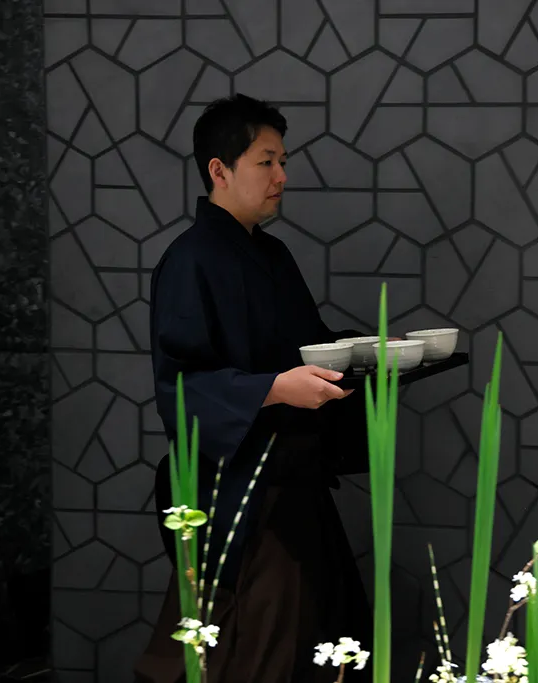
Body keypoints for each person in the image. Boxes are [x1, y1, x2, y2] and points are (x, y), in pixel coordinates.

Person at [135, 94, 372, 683]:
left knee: (322, 636)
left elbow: (308, 348)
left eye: (282, 161)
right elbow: (182, 387)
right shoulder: (189, 261)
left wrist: (368, 354)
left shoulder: (273, 255)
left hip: (294, 480)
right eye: (266, 162)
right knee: (261, 650)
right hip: (237, 494)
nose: (281, 176)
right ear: (219, 169)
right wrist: (275, 389)